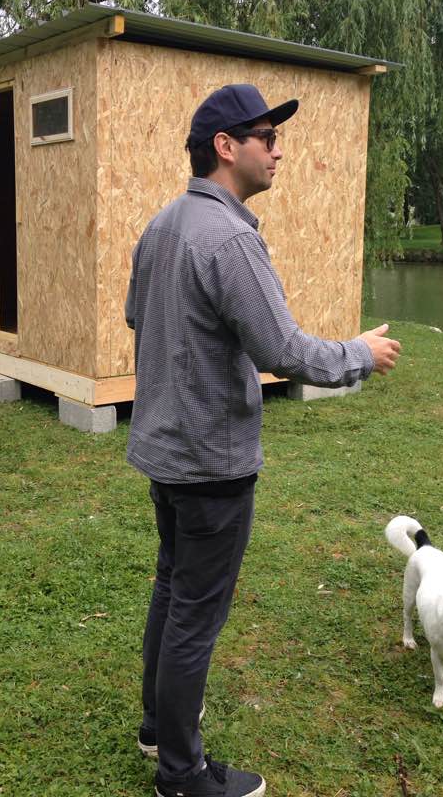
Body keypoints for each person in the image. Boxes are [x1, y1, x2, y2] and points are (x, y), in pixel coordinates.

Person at [124, 84, 401, 797]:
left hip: (166, 454)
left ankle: (159, 727)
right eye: (267, 137)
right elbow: (285, 351)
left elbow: (137, 316)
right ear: (226, 146)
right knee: (194, 614)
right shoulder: (230, 238)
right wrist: (360, 354)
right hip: (211, 465)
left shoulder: (162, 225)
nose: (279, 150)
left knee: (173, 588)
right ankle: (181, 774)